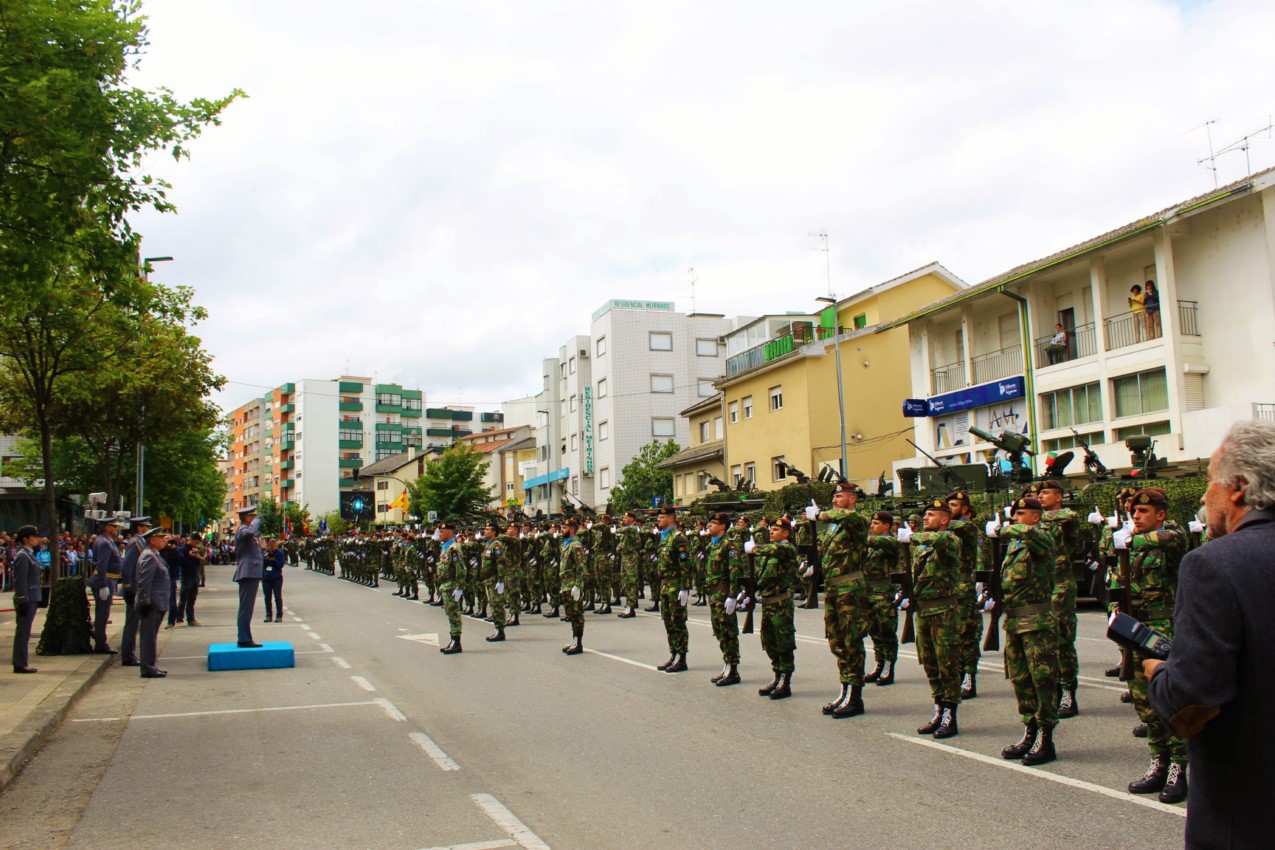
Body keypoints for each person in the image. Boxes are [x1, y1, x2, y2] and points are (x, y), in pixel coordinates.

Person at [1147, 420, 1275, 845]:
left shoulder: (1214, 564)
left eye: (1210, 482)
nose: (1204, 496)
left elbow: (1193, 699)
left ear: (1237, 486)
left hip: (1248, 817)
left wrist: (1160, 675)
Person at [1121, 486, 1189, 803]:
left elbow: (1176, 540)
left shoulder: (1170, 538)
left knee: (1168, 703)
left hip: (1163, 631)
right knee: (1145, 705)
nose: (1136, 515)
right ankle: (1158, 762)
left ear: (1160, 514)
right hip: (1135, 629)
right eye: (1134, 510)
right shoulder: (1130, 545)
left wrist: (1133, 539)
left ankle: (1179, 767)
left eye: (1144, 511)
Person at [992, 497, 1061, 765]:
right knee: (1021, 680)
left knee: (1042, 680)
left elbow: (1028, 533)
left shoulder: (1042, 539)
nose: (1015, 519)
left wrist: (1004, 528)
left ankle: (1046, 737)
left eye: (1020, 514)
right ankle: (1029, 729)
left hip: (1037, 622)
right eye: (1013, 514)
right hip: (1015, 622)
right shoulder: (1015, 546)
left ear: (1035, 517)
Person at [903, 499, 963, 738]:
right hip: (924, 612)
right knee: (930, 664)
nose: (925, 518)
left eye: (931, 515)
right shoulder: (922, 547)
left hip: (943, 612)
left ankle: (950, 714)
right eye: (925, 514)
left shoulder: (949, 540)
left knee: (947, 665)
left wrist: (913, 537)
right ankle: (938, 709)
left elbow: (937, 540)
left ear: (945, 520)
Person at [817, 483, 871, 718]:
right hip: (833, 590)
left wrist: (820, 515)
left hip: (849, 588)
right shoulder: (834, 528)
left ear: (852, 500)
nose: (836, 501)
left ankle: (855, 696)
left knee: (852, 640)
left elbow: (845, 517)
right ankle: (845, 689)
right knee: (836, 640)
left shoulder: (857, 521)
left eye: (840, 496)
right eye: (834, 497)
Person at [1038, 480, 1081, 718]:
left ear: (1059, 496)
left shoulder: (1065, 518)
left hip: (1061, 586)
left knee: (1063, 642)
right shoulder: (1038, 521)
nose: (1040, 496)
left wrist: (1029, 519)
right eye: (1038, 493)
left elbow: (1069, 517)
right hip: (1041, 588)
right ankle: (1052, 690)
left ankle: (1068, 692)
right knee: (1045, 644)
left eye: (1045, 492)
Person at [751, 517, 801, 699]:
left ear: (786, 533)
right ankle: (777, 675)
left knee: (784, 643)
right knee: (769, 642)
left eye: (776, 530)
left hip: (781, 603)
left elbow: (769, 549)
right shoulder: (771, 551)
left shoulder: (786, 548)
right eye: (771, 530)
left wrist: (754, 548)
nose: (771, 532)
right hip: (768, 602)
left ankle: (785, 682)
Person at [862, 511, 901, 687]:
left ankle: (889, 666)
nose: (872, 527)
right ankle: (879, 663)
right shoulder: (871, 545)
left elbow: (870, 540)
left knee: (887, 631)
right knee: (874, 630)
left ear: (887, 525)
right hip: (869, 591)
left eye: (876, 524)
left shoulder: (890, 542)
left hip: (884, 592)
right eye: (872, 524)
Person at [703, 512, 741, 686]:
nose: (710, 525)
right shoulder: (712, 545)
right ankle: (726, 665)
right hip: (714, 595)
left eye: (714, 523)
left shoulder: (729, 545)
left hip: (724, 594)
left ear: (723, 526)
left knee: (728, 632)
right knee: (719, 631)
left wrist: (733, 596)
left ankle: (733, 669)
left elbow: (735, 572)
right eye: (710, 523)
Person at [654, 506, 691, 673]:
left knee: (678, 623)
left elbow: (685, 565)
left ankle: (682, 658)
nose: (659, 520)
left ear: (671, 518)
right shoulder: (664, 538)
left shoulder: (678, 538)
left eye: (662, 517)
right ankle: (673, 654)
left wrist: (684, 588)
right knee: (668, 622)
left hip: (675, 586)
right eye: (659, 517)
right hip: (665, 586)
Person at [134, 526, 171, 678]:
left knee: (152, 636)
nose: (164, 540)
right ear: (152, 540)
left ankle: (150, 665)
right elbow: (144, 581)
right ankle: (148, 667)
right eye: (160, 538)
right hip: (151, 604)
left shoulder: (155, 555)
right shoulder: (149, 556)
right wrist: (144, 602)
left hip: (158, 602)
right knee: (148, 637)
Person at [118, 517, 152, 666]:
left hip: (136, 587)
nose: (148, 529)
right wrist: (128, 587)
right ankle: (128, 656)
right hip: (133, 588)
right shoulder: (136, 543)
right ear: (139, 528)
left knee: (134, 623)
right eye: (146, 526)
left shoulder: (140, 542)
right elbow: (127, 567)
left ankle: (130, 653)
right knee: (131, 623)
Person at [88, 516, 122, 655]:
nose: (116, 529)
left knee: (104, 613)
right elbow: (101, 565)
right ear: (107, 528)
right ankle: (100, 643)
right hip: (105, 580)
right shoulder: (104, 543)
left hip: (109, 580)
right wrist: (103, 585)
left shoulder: (107, 541)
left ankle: (101, 641)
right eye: (114, 527)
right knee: (102, 614)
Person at [11, 525, 42, 674]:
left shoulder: (29, 554)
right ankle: (20, 663)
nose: (37, 539)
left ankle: (21, 661)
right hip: (27, 598)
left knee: (25, 631)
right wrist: (22, 599)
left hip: (32, 597)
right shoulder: (23, 555)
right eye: (34, 536)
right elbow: (20, 580)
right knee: (23, 632)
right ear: (26, 539)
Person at [232, 505, 264, 648]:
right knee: (246, 607)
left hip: (251, 571)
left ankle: (245, 637)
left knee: (247, 607)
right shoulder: (243, 529)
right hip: (248, 571)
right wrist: (257, 522)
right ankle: (244, 638)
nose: (254, 518)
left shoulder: (246, 529)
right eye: (252, 516)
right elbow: (250, 533)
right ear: (246, 517)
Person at [559, 517, 586, 655]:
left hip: (572, 584)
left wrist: (578, 586)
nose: (561, 530)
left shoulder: (575, 545)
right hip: (566, 584)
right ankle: (574, 640)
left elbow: (581, 567)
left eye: (564, 528)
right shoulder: (565, 544)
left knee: (577, 614)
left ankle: (578, 643)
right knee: (571, 614)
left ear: (572, 529)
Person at [437, 523, 464, 655]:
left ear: (449, 533)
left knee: (454, 614)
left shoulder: (454, 549)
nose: (439, 534)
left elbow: (460, 569)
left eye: (442, 532)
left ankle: (456, 642)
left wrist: (459, 587)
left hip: (452, 585)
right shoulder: (446, 548)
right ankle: (453, 640)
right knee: (450, 613)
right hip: (446, 585)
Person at [262, 537, 286, 623]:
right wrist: (266, 558)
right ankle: (268, 615)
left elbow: (281, 565)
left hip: (276, 577)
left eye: (273, 546)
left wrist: (274, 560)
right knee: (267, 598)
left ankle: (279, 615)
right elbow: (262, 564)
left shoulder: (280, 553)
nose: (272, 548)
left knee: (277, 597)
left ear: (276, 546)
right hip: (266, 577)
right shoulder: (265, 553)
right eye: (270, 546)